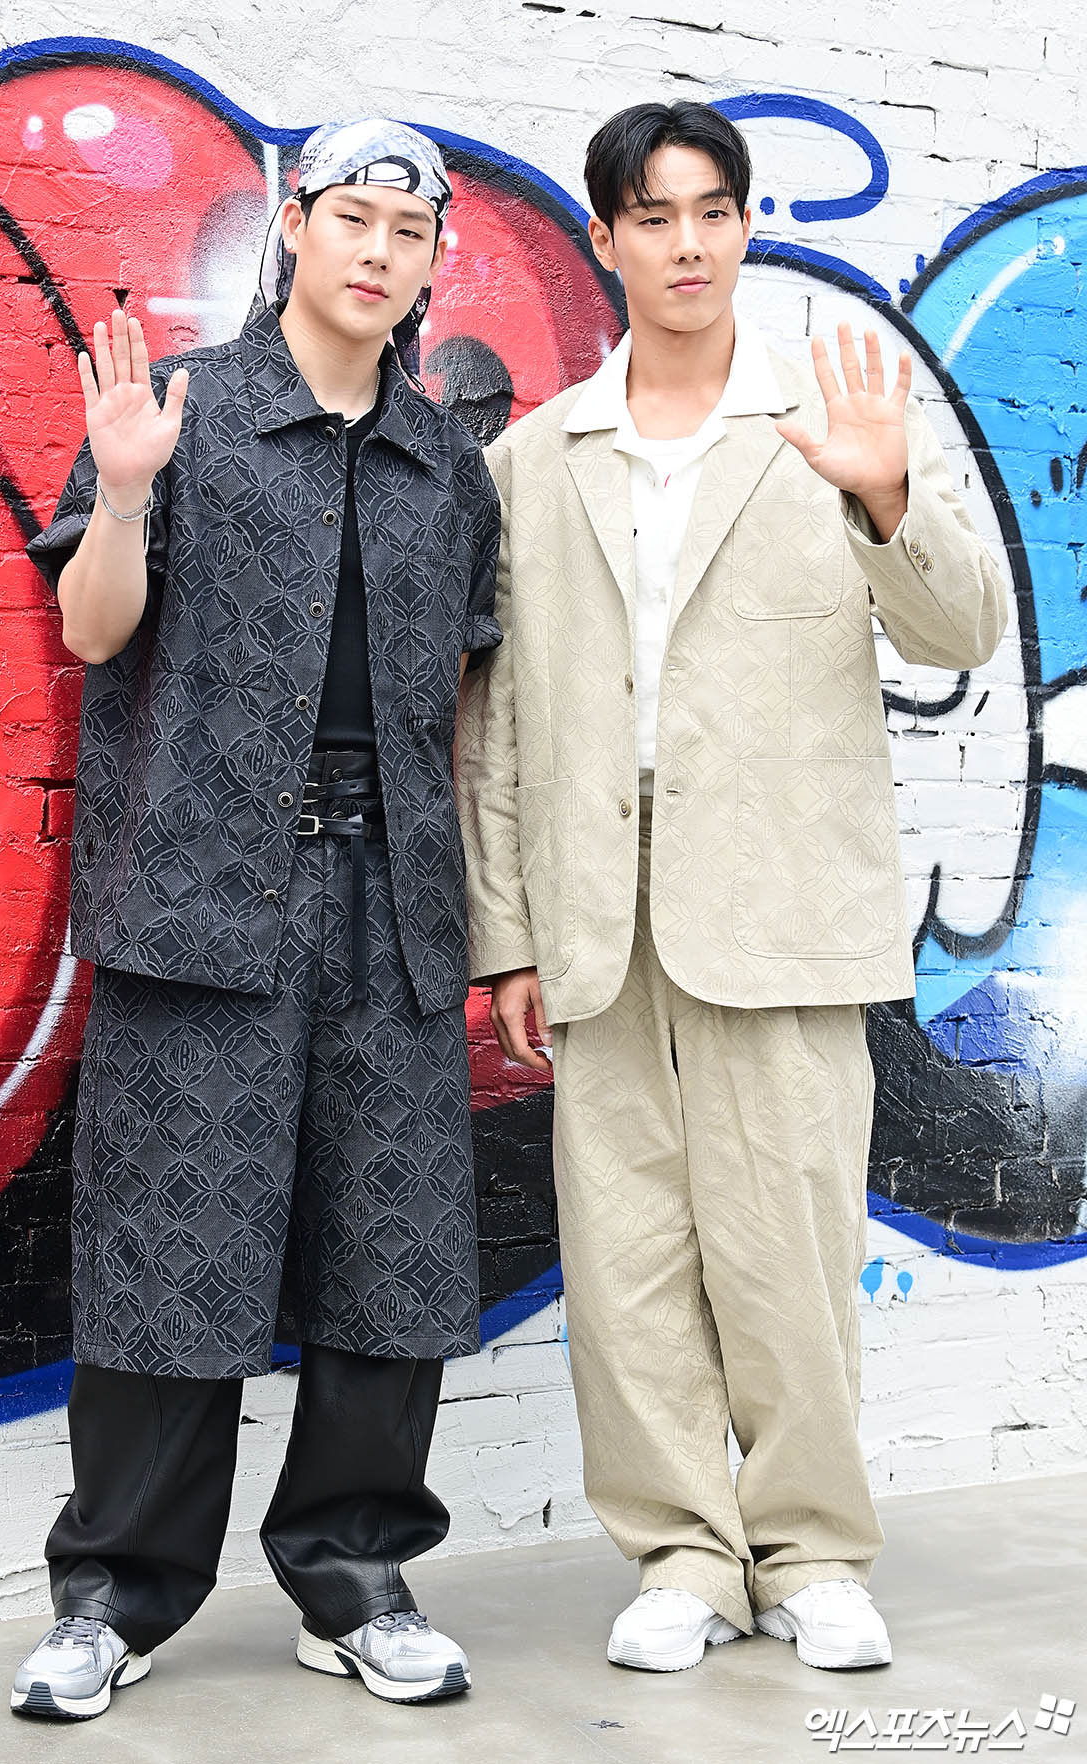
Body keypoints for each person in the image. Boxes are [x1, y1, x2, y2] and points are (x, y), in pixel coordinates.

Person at [456, 100, 1006, 1674]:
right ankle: (682, 1556)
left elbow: (964, 630)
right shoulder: (534, 459)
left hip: (783, 908)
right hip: (595, 912)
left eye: (713, 211)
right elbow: (495, 724)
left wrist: (887, 499)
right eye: (654, 216)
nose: (688, 243)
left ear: (747, 225)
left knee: (787, 1254)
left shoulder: (834, 417)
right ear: (607, 238)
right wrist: (506, 935)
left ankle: (813, 1552)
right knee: (627, 1261)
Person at [11, 118, 501, 1720]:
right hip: (197, 897)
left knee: (392, 1254)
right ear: (296, 226)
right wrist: (125, 496)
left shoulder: (446, 464)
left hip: (392, 904)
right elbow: (94, 636)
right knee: (168, 1250)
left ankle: (354, 1578)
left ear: (431, 260)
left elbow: (462, 700)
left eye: (406, 233)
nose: (376, 251)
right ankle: (117, 1596)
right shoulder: (182, 414)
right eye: (350, 218)